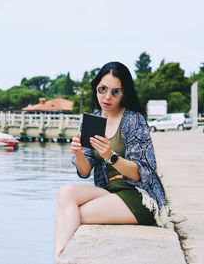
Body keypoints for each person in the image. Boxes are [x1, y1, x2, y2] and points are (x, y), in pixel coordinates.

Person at [54, 61, 169, 263]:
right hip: (110, 191)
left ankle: (60, 259)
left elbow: (140, 173)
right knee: (66, 193)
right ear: (96, 88)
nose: (107, 97)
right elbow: (84, 171)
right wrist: (79, 153)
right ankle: (59, 258)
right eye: (103, 89)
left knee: (73, 214)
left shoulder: (134, 119)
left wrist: (110, 155)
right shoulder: (92, 119)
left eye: (115, 92)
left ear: (124, 93)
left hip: (140, 196)